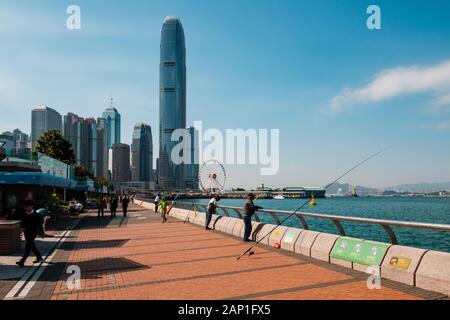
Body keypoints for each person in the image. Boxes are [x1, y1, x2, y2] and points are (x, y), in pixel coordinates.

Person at [16, 200, 44, 268]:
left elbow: (40, 224)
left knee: (28, 246)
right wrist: (22, 228)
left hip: (33, 232)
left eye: (29, 207)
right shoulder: (24, 214)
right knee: (31, 245)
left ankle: (22, 261)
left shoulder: (36, 214)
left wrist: (42, 233)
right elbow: (22, 222)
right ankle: (39, 257)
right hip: (26, 232)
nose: (28, 208)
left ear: (32, 207)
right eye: (26, 207)